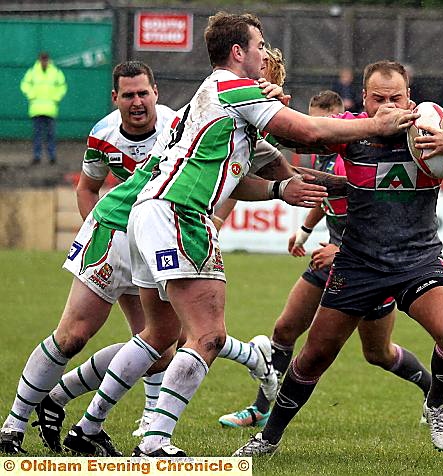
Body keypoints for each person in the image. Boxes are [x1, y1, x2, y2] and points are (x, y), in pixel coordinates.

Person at [61, 13, 416, 459]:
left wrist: (289, 186)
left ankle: (85, 426)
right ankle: (154, 443)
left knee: (160, 335)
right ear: (238, 52)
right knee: (205, 337)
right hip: (178, 212)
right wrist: (376, 126)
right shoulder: (231, 88)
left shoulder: (219, 100)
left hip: (151, 213)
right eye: (259, 45)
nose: (264, 53)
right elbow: (307, 131)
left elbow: (278, 167)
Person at [0, 60, 290, 456]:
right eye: (128, 95)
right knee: (76, 335)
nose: (137, 103)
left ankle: (76, 412)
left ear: (156, 92)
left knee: (158, 345)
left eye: (143, 93)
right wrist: (97, 234)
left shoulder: (188, 117)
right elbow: (88, 187)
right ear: (115, 97)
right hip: (120, 227)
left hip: (152, 230)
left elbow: (245, 167)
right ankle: (15, 426)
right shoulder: (102, 133)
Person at [233, 59, 443, 457]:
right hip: (358, 264)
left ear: (409, 96)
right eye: (378, 98)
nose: (388, 105)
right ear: (365, 98)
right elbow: (299, 139)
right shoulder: (353, 130)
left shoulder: (433, 127)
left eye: (396, 97)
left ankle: (436, 403)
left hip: (417, 261)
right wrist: (270, 106)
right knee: (314, 356)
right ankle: (267, 439)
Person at [219, 90, 436, 429]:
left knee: (378, 353)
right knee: (285, 328)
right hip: (327, 257)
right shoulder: (323, 154)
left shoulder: (353, 149)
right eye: (314, 121)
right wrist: (305, 232)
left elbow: (374, 210)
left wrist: (342, 249)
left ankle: (432, 388)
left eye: (326, 122)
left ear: (343, 119)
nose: (318, 129)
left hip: (363, 262)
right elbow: (326, 195)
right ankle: (262, 409)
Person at [20, 52, 67, 165]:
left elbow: (62, 86)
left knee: (49, 134)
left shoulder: (55, 72)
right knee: (38, 134)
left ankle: (51, 157)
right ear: (40, 60)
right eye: (42, 60)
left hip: (50, 109)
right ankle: (38, 157)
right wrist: (32, 95)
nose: (44, 62)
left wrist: (55, 97)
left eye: (45, 60)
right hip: (37, 109)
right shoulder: (33, 72)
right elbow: (24, 85)